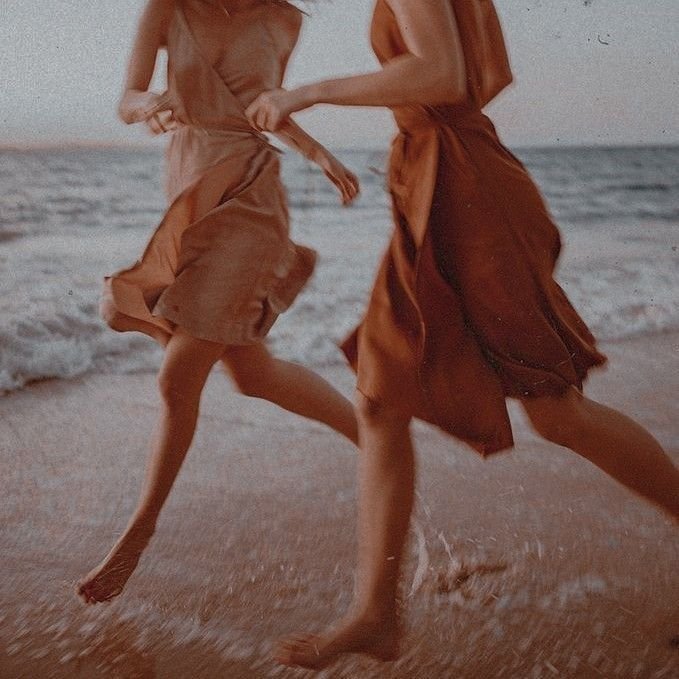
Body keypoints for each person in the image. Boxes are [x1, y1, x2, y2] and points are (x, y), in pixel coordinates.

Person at [245, 0, 679, 668]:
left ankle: (375, 613)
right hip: (439, 176)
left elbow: (443, 73)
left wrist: (305, 92)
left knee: (557, 412)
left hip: (465, 190)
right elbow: (478, 75)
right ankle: (376, 614)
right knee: (379, 398)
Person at [77, 0, 360, 605]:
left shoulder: (284, 20)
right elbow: (126, 99)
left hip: (252, 195)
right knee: (252, 373)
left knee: (178, 376)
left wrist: (319, 154)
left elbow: (266, 110)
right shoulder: (166, 9)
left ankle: (139, 532)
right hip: (190, 186)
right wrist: (148, 106)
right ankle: (377, 441)